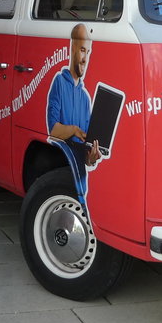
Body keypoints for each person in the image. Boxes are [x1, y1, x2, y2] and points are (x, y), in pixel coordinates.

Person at [46, 24, 102, 202]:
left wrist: (91, 157)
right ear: (72, 49)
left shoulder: (86, 98)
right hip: (61, 179)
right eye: (82, 50)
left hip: (81, 186)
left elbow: (85, 150)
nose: (85, 58)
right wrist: (74, 130)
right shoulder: (59, 83)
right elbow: (52, 130)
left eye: (89, 52)